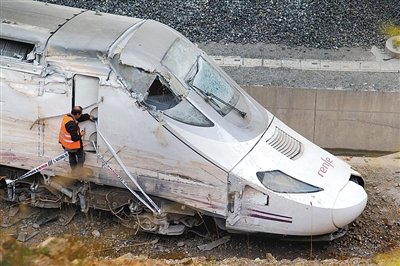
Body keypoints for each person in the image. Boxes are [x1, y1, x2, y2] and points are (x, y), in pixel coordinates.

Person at [59, 106, 96, 176]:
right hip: (73, 145)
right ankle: (78, 172)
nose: (81, 115)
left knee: (71, 156)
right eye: (80, 114)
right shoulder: (72, 124)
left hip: (66, 144)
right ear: (77, 114)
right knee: (81, 156)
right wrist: (81, 134)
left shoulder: (67, 117)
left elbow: (79, 118)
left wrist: (88, 116)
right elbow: (75, 138)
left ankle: (74, 172)